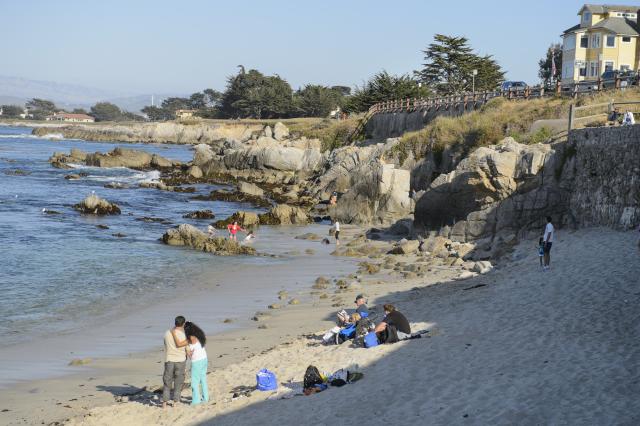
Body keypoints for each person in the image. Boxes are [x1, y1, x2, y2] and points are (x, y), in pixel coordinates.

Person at [173, 322, 209, 406]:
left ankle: (196, 400)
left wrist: (174, 333)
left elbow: (178, 344)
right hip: (204, 359)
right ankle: (205, 398)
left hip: (197, 362)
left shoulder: (190, 339)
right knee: (203, 379)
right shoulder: (200, 335)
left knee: (194, 382)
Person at [162, 316, 187, 408]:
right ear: (183, 324)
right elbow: (186, 349)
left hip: (169, 359)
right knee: (178, 381)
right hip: (180, 360)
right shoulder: (184, 335)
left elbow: (165, 345)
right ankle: (175, 401)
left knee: (167, 381)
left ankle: (164, 402)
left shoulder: (167, 333)